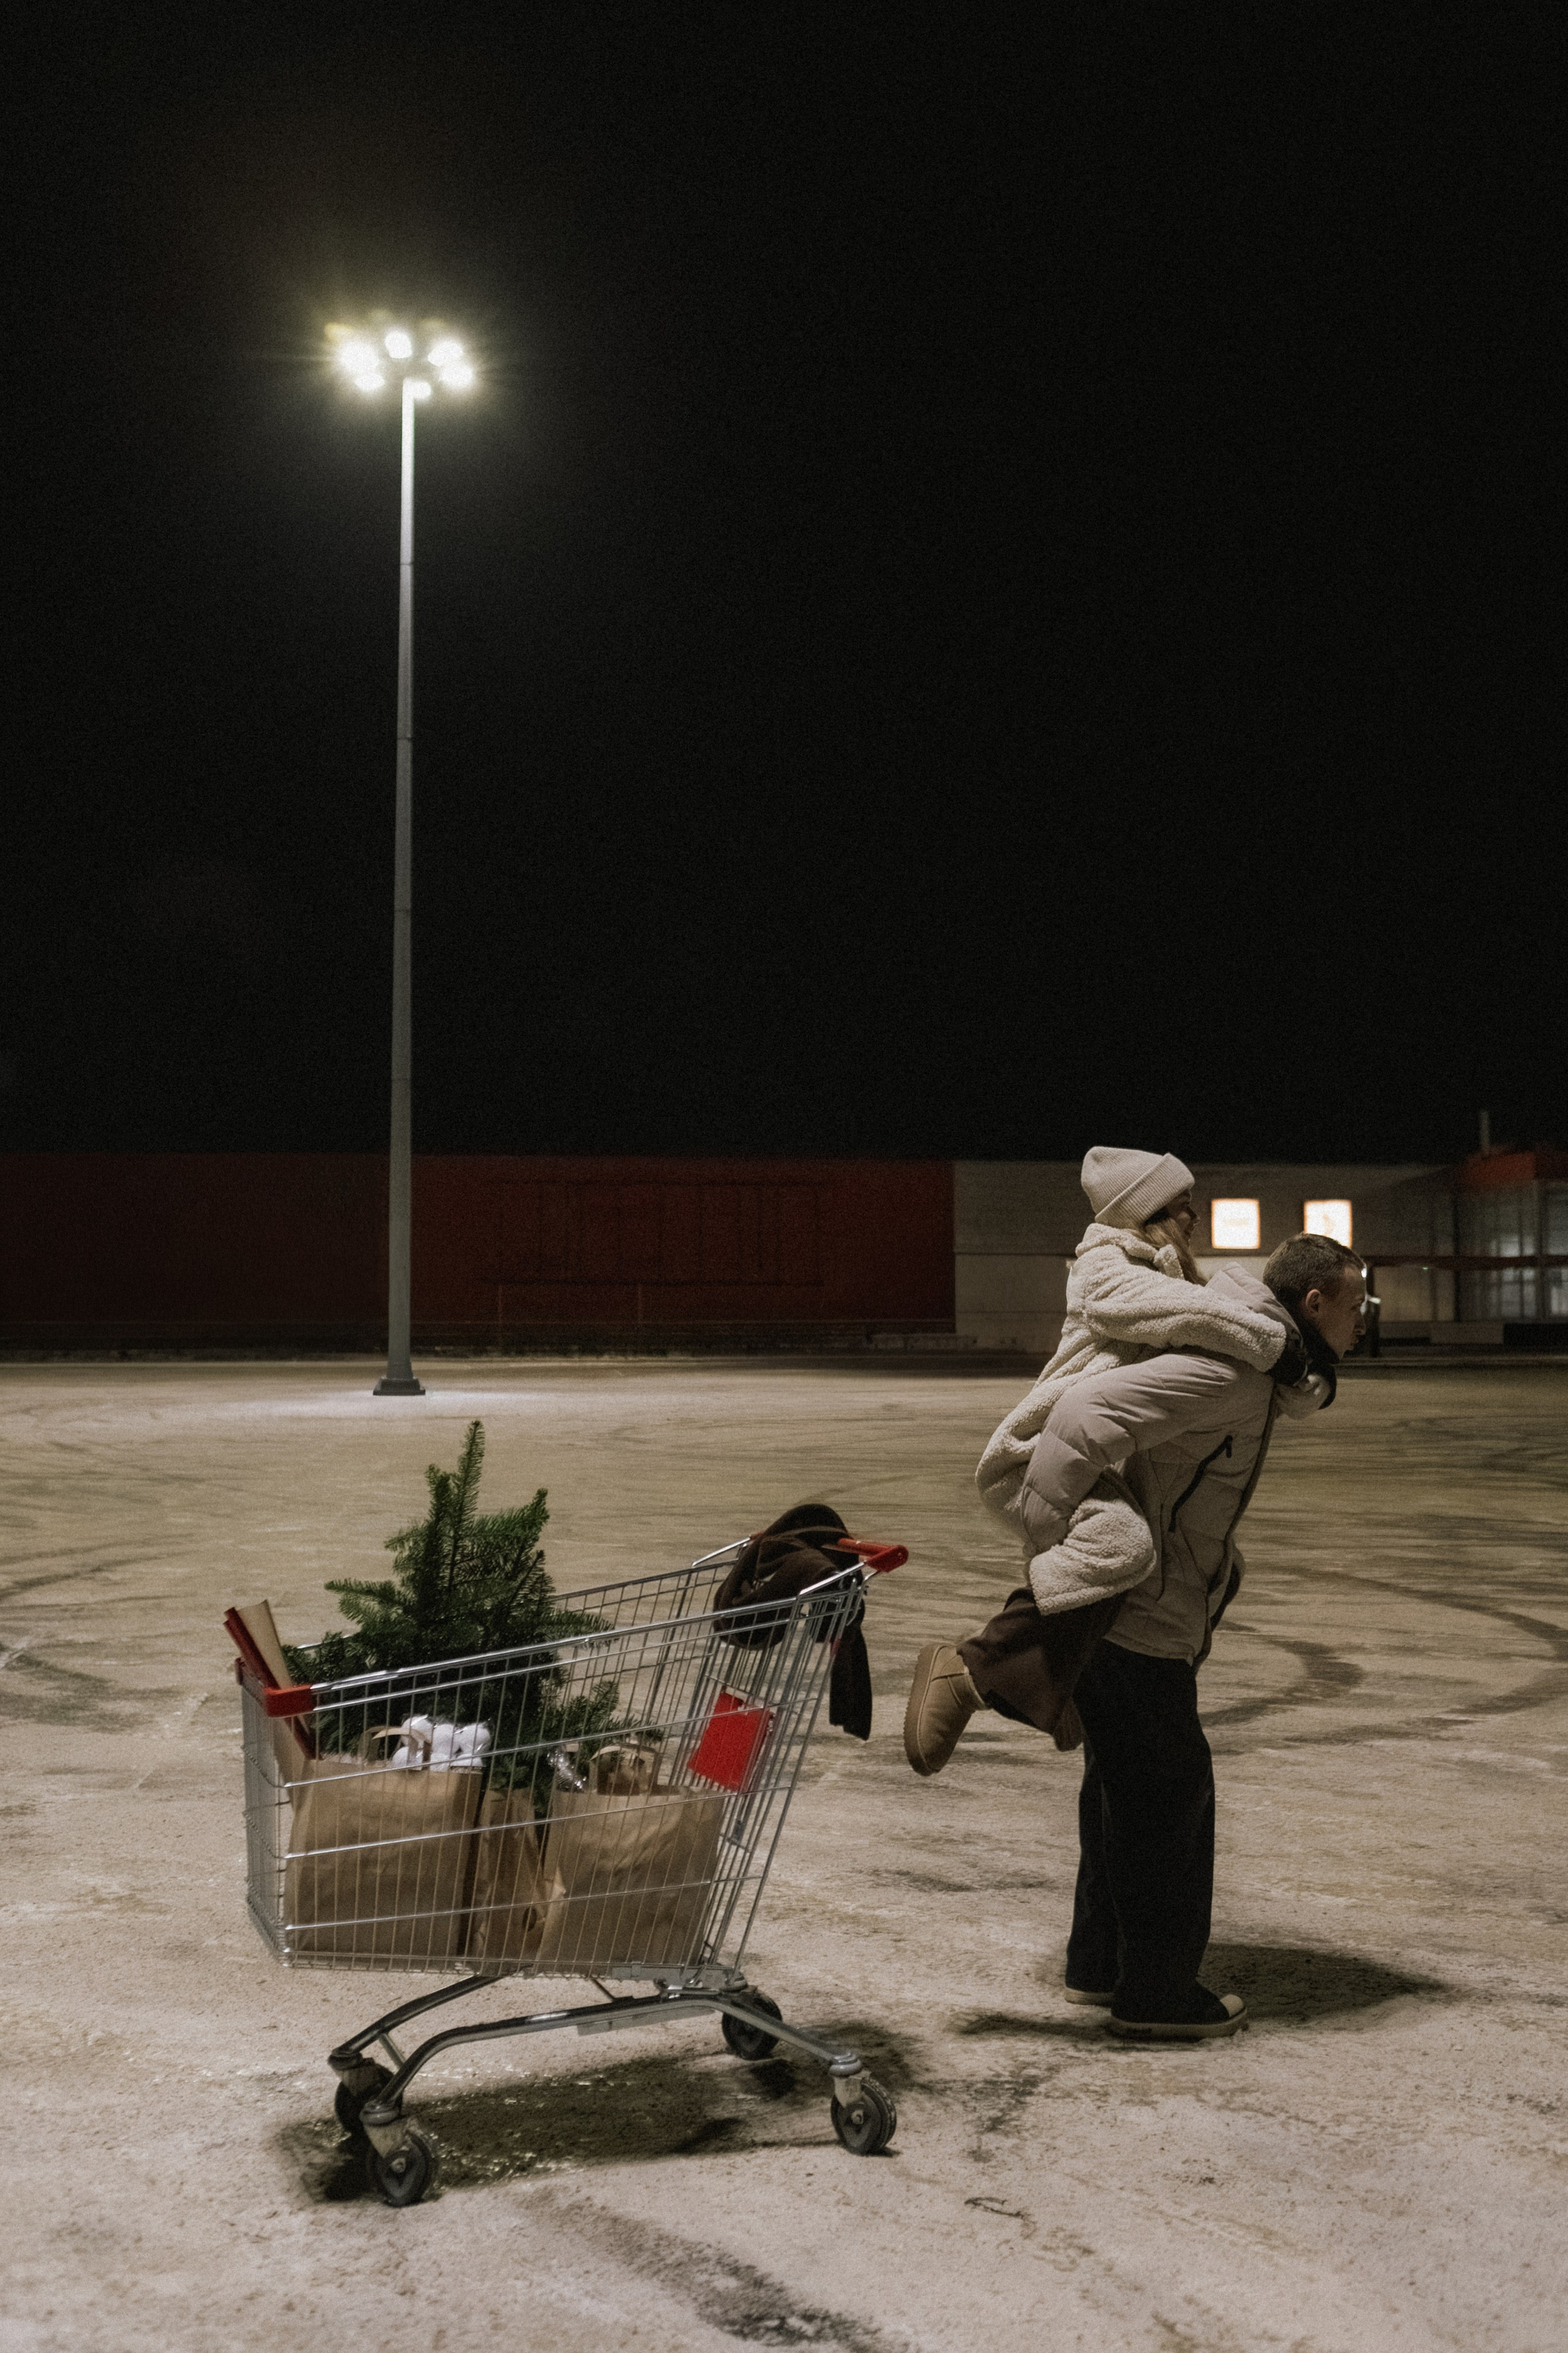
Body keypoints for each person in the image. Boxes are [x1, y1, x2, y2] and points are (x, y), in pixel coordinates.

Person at [910, 1228, 1365, 2042]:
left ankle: (1100, 1960)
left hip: (1147, 1605)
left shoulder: (1261, 1368)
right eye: (1356, 1300)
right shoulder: (1232, 1370)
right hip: (1140, 1613)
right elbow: (1087, 1414)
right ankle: (1155, 1992)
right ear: (1315, 1301)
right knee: (1170, 1792)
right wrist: (1057, 1540)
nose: (1365, 1315)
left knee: (1121, 1783)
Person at [905, 1146, 1322, 1779]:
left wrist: (1301, 1376)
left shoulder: (1165, 1277)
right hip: (1033, 1454)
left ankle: (1060, 1679)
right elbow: (1198, 1316)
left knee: (1200, 1564)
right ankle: (969, 1667)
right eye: (1184, 1211)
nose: (1195, 1223)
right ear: (1148, 1213)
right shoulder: (1106, 1268)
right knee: (1120, 1543)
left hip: (1086, 1460)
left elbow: (1213, 1322)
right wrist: (1275, 1345)